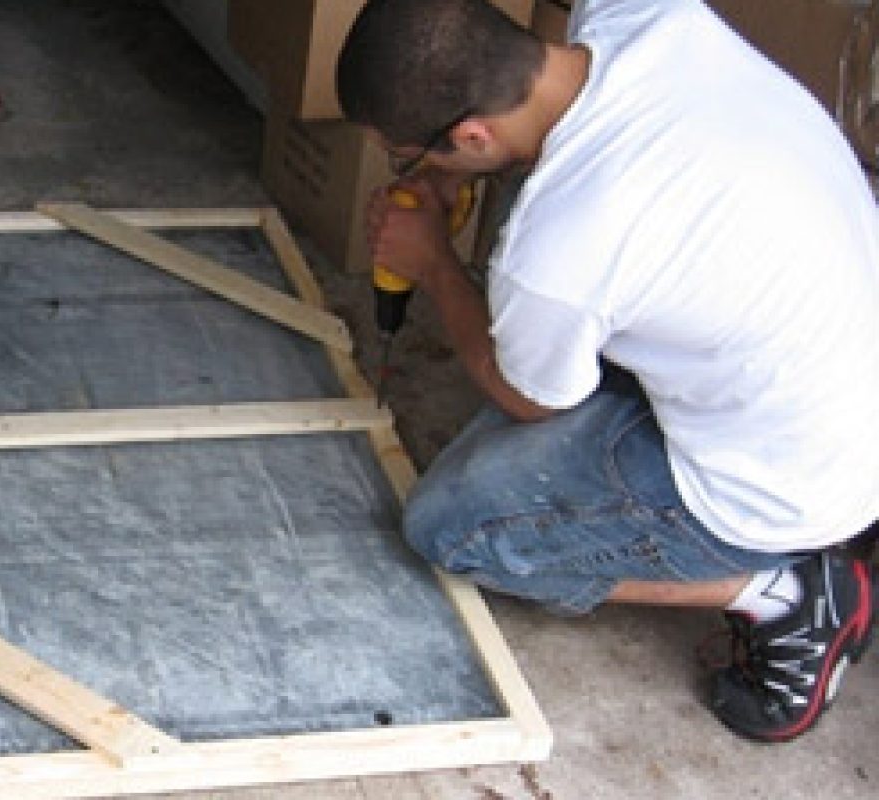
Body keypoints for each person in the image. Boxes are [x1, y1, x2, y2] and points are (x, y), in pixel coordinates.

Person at [336, 0, 878, 742]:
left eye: (412, 155)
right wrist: (455, 176)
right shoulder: (647, 16)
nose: (416, 170)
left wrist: (433, 263)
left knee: (452, 528)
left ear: (471, 133)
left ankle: (787, 590)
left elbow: (529, 399)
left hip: (785, 482)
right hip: (834, 379)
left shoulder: (557, 252)